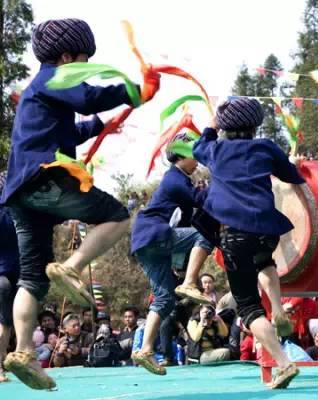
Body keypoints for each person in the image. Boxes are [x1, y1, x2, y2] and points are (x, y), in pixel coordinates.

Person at [1, 18, 159, 390]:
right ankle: (71, 267)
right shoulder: (57, 77)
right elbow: (88, 97)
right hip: (44, 179)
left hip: (20, 196)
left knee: (31, 278)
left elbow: (66, 129)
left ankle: (24, 352)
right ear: (67, 56)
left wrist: (99, 128)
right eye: (84, 62)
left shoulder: (38, 89)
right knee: (116, 216)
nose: (85, 69)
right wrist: (134, 91)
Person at [193, 97, 303, 389]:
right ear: (256, 125)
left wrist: (211, 125)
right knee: (264, 261)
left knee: (249, 309)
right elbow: (294, 176)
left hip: (235, 234)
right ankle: (278, 306)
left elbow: (197, 148)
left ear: (225, 126)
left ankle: (284, 363)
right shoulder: (266, 147)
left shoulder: (215, 150)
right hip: (267, 229)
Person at [130, 133, 214, 375]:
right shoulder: (175, 179)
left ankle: (145, 349)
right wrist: (220, 179)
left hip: (145, 244)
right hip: (154, 235)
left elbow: (184, 220)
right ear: (180, 155)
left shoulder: (179, 181)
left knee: (165, 299)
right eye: (193, 154)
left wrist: (178, 262)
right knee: (206, 234)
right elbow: (202, 201)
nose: (197, 159)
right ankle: (189, 283)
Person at [0, 171, 19, 383]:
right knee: (5, 324)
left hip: (11, 275)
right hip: (9, 277)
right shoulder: (16, 213)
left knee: (6, 323)